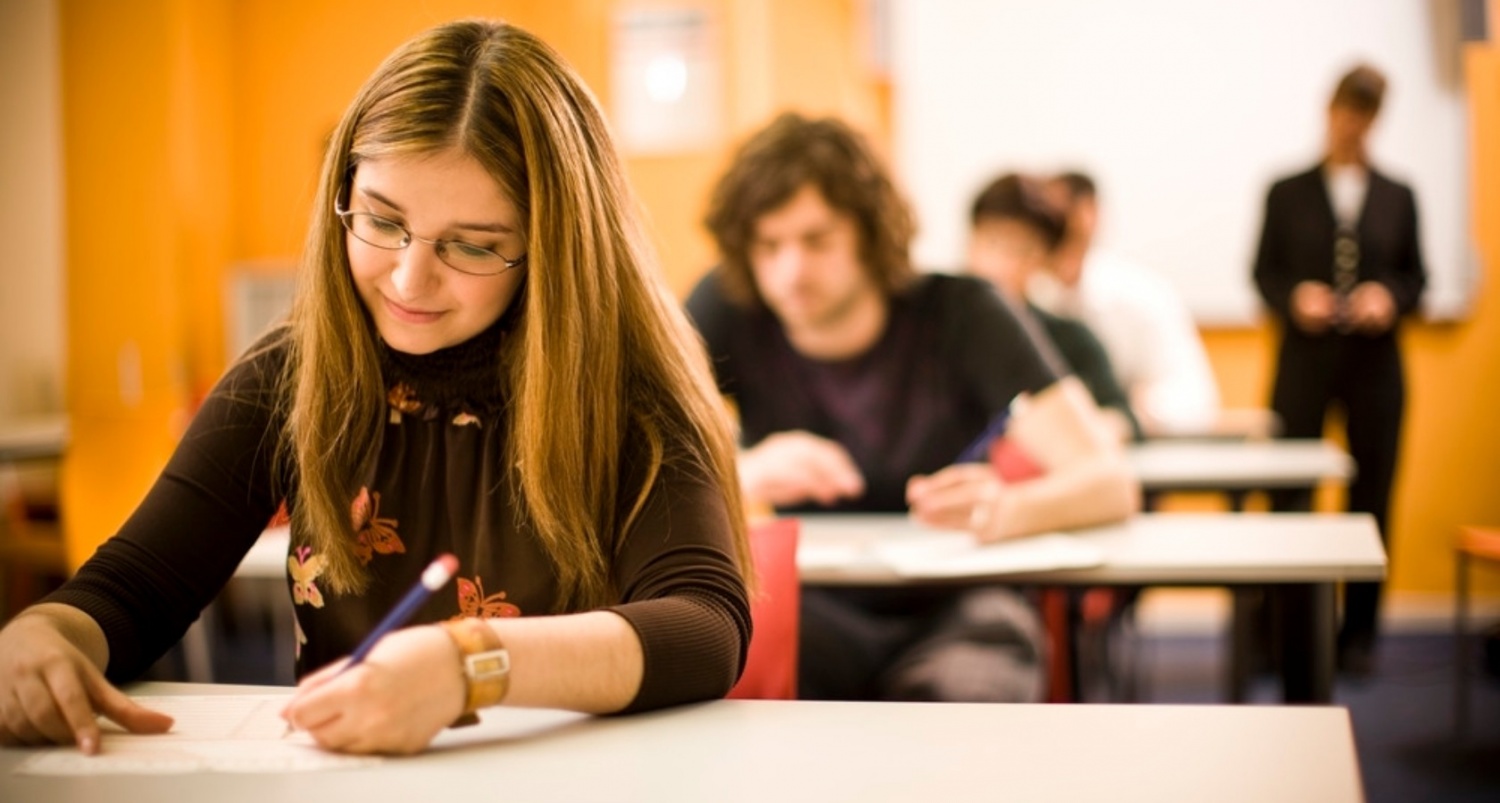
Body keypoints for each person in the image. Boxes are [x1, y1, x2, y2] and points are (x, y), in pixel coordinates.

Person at [0, 19, 751, 756]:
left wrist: (467, 665)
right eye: (382, 221)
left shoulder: (628, 391)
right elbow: (133, 589)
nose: (408, 277)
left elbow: (704, 626)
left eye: (473, 245)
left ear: (554, 252)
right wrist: (44, 634)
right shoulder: (292, 374)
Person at [686, 113, 1138, 702]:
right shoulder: (727, 304)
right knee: (730, 703)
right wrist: (742, 471)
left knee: (960, 719)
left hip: (961, 605)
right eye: (767, 246)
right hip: (813, 599)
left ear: (871, 236)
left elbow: (1110, 483)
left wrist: (1009, 506)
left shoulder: (965, 312)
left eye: (817, 241)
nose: (789, 272)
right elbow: (626, 460)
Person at [1253, 63, 1426, 675]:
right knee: (1289, 493)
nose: (1350, 125)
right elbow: (1263, 274)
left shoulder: (1397, 194)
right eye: (1343, 111)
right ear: (1328, 111)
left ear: (1376, 120)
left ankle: (1360, 637)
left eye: (1363, 114)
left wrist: (1390, 298)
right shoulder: (1287, 190)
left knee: (1372, 494)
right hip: (1304, 363)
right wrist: (1296, 297)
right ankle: (1281, 631)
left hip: (1376, 367)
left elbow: (1417, 279)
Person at [1029, 171, 1221, 437]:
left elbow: (1196, 400)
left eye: (1062, 219)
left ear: (1090, 214)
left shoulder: (1141, 295)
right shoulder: (1024, 296)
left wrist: (1135, 414)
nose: (1054, 231)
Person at [967, 172, 1141, 443]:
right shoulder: (938, 332)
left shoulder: (1070, 338)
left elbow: (1121, 415)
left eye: (1022, 250)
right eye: (993, 243)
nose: (1003, 265)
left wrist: (1087, 435)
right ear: (970, 242)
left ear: (1044, 260)